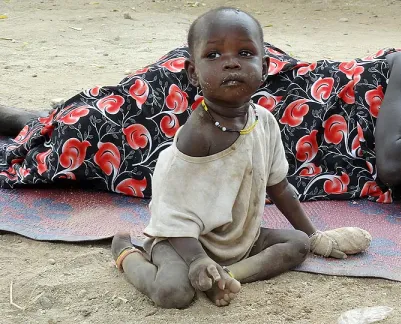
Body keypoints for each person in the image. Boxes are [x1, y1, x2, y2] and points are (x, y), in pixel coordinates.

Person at [0, 9, 401, 218]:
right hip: (228, 94)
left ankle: (27, 124)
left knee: (85, 154)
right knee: (81, 124)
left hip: (238, 146)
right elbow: (389, 163)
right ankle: (23, 120)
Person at [109, 8, 371, 309]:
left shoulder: (265, 122)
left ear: (265, 65)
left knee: (297, 244)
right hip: (182, 240)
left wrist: (314, 236)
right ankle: (127, 255)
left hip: (239, 239)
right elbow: (171, 213)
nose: (231, 62)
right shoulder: (196, 137)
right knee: (174, 293)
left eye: (245, 52)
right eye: (213, 55)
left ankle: (226, 275)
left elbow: (279, 187)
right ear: (193, 73)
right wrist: (196, 260)